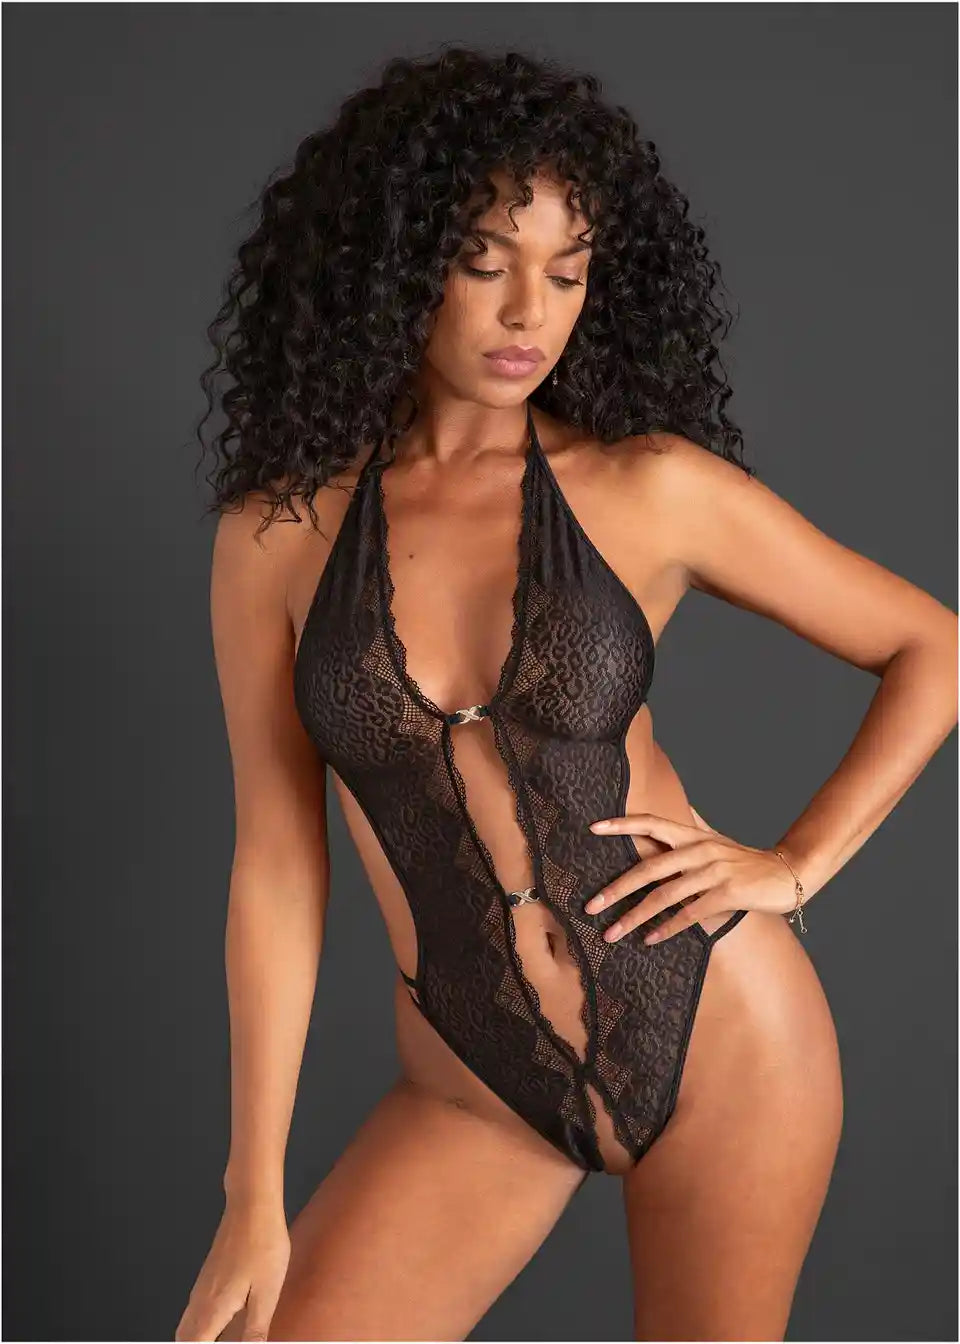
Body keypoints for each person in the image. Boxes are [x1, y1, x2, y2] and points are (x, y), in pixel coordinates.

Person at [177, 46, 957, 1344]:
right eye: (483, 262)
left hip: (721, 1035)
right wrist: (251, 1189)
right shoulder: (276, 536)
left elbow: (934, 646)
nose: (528, 311)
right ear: (391, 265)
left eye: (569, 270)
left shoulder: (651, 489)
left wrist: (797, 866)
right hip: (474, 1082)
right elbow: (275, 866)